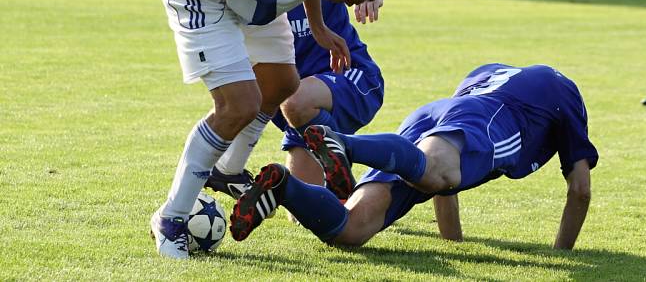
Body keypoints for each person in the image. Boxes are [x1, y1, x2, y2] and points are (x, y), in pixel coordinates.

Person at [40, 0, 387, 259]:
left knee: (283, 83)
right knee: (237, 106)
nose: (349, 7)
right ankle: (170, 219)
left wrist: (318, 27)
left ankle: (226, 170)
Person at [230, 63, 597, 250]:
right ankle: (344, 144)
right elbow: (580, 189)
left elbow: (442, 179)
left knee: (351, 230)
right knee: (440, 170)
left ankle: (285, 186)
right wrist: (561, 254)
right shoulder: (564, 90)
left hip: (430, 116)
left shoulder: (488, 72)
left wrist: (453, 243)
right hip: (488, 119)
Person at [203, 0, 400, 207]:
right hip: (295, 112)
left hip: (348, 79)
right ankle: (292, 187)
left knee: (295, 99)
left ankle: (346, 156)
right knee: (315, 210)